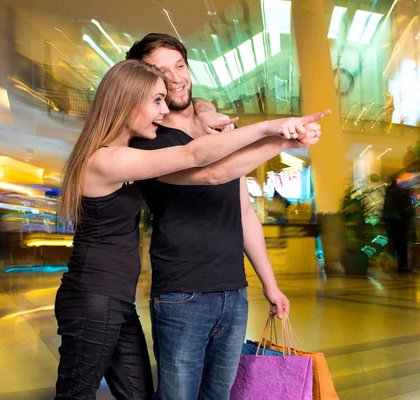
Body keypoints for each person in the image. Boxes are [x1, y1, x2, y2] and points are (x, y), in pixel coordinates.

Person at [54, 58, 327, 399]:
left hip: (117, 301)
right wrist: (269, 128)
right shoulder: (106, 159)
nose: (163, 110)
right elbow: (195, 156)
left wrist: (205, 109)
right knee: (75, 394)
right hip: (92, 298)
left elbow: (209, 166)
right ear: (126, 101)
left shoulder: (126, 156)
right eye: (156, 100)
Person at [126, 33, 327, 399]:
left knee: (220, 396)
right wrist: (278, 137)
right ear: (145, 81)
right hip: (181, 293)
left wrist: (269, 283)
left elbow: (245, 212)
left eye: (180, 65)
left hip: (234, 293)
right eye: (160, 71)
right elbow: (208, 170)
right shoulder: (148, 139)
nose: (175, 77)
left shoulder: (218, 127)